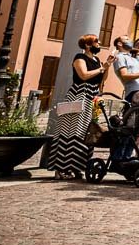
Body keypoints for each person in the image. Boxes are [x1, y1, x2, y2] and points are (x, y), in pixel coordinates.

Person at [48, 34, 113, 179]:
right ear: (88, 45)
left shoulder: (96, 60)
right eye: (97, 42)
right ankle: (61, 169)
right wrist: (102, 69)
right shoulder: (80, 58)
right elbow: (83, 75)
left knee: (87, 133)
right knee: (71, 132)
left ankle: (78, 167)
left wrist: (106, 67)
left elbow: (101, 79)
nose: (99, 44)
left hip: (92, 97)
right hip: (79, 95)